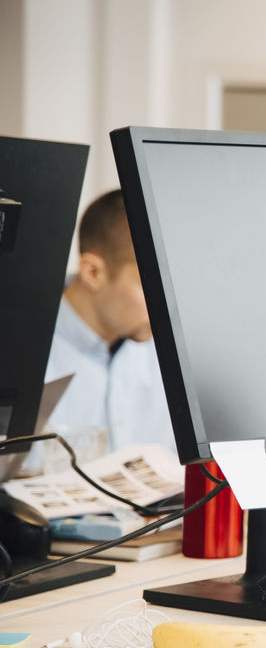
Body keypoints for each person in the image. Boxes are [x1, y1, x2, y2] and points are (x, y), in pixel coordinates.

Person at [43, 189, 175, 455]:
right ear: (93, 272)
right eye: (153, 286)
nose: (169, 307)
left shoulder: (169, 353)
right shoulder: (23, 354)